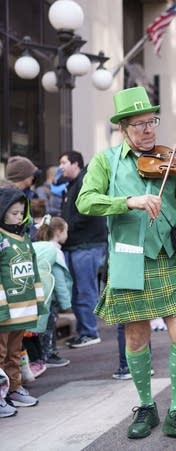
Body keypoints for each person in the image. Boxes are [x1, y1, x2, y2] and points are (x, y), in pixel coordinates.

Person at [75, 86, 176, 440]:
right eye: (139, 125)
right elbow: (85, 202)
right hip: (130, 259)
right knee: (136, 337)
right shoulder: (106, 162)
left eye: (152, 122)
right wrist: (128, 201)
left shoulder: (174, 160)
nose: (148, 130)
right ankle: (147, 405)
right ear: (123, 129)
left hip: (170, 258)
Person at [0, 187, 46, 412]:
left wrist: (39, 301)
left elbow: (34, 271)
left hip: (22, 309)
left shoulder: (25, 237)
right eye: (13, 213)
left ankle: (13, 388)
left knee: (14, 353)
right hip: (4, 310)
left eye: (21, 212)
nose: (19, 217)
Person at [59, 150, 107, 348]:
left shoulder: (85, 181)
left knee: (85, 290)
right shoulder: (71, 185)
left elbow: (87, 211)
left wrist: (66, 227)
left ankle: (89, 331)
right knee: (79, 291)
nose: (60, 167)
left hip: (86, 245)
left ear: (75, 164)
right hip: (77, 245)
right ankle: (83, 331)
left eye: (63, 162)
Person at [30, 215, 72, 369]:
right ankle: (49, 354)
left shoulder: (38, 247)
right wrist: (66, 302)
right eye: (67, 231)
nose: (68, 234)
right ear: (60, 232)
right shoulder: (55, 252)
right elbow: (59, 279)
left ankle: (39, 356)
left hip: (39, 293)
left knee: (40, 327)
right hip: (51, 296)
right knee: (49, 327)